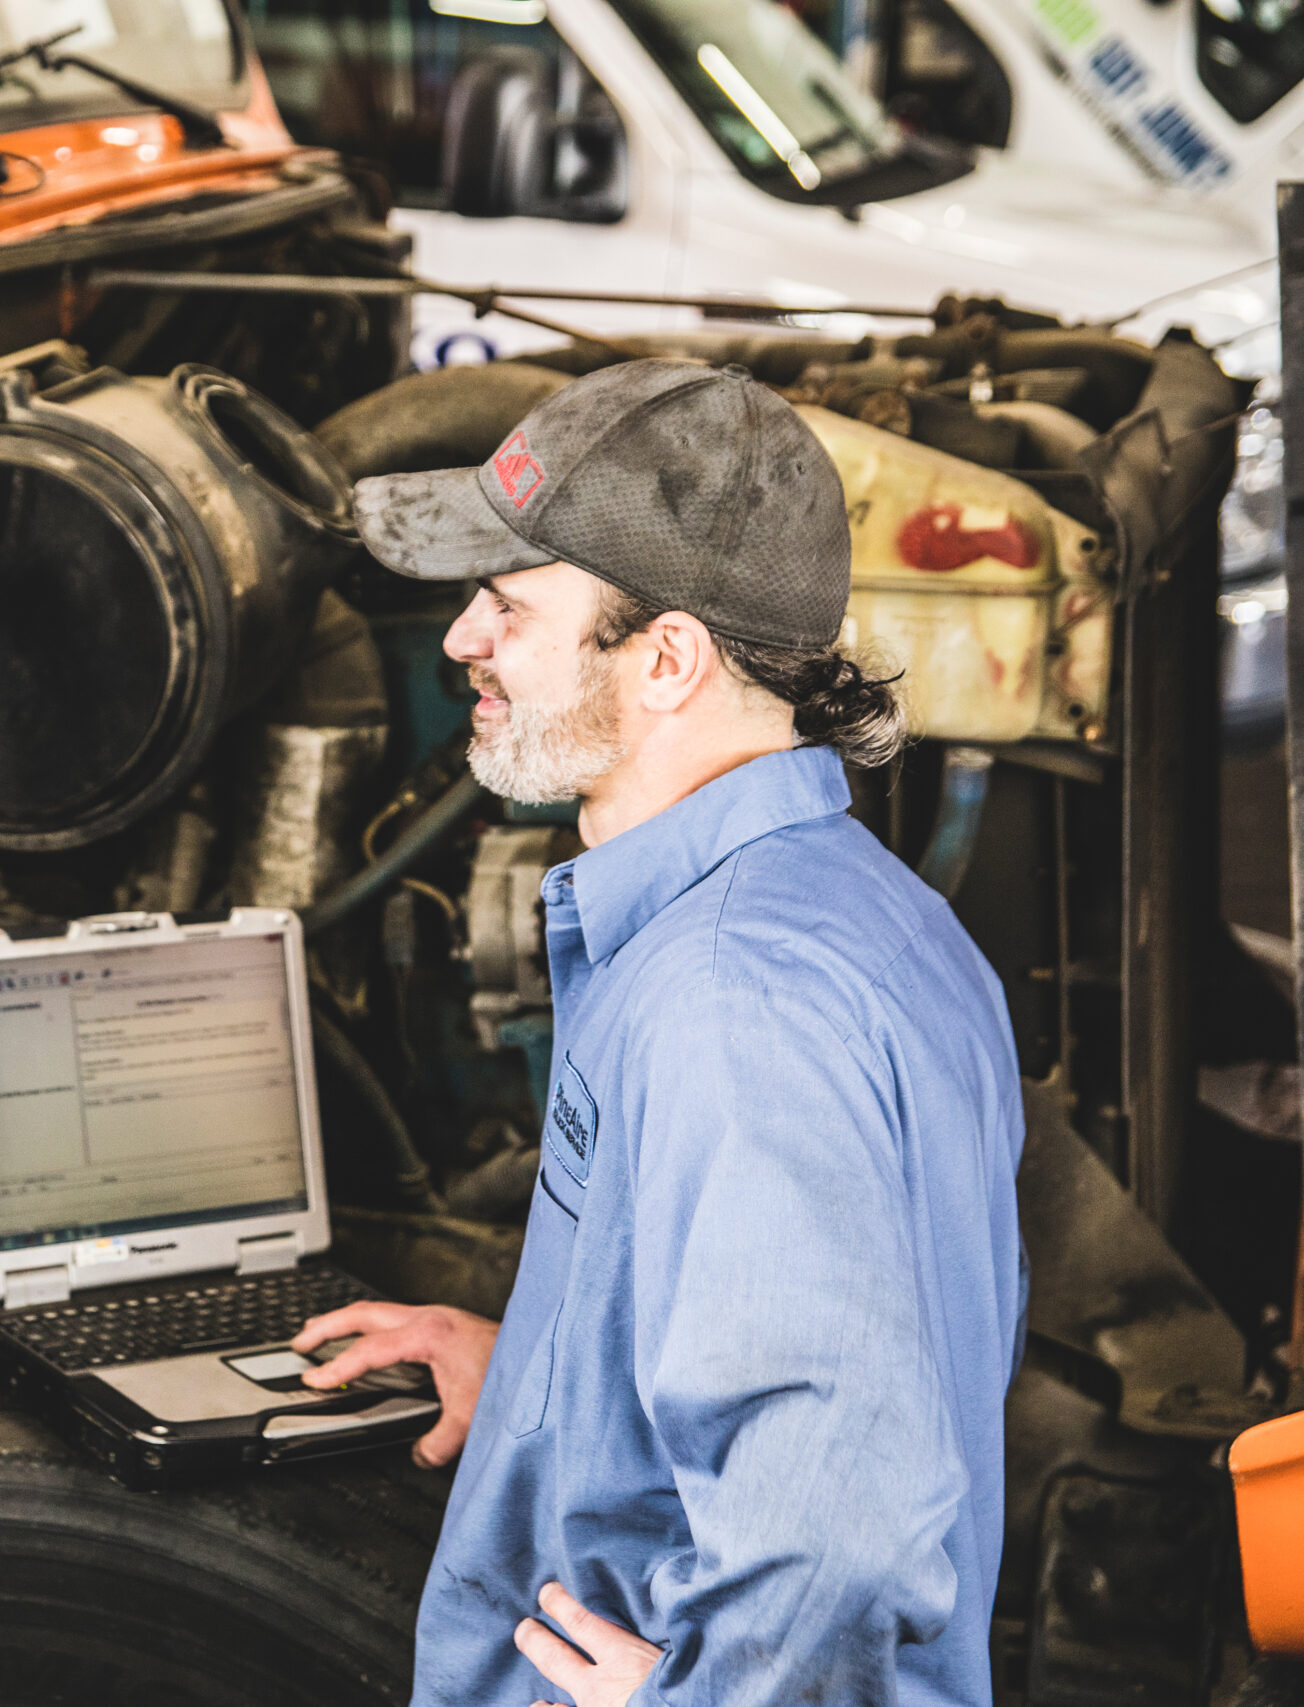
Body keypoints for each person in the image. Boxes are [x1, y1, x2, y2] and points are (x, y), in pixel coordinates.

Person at [299, 360, 1025, 1706]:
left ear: (669, 659)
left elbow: (840, 1519)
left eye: (509, 610)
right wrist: (546, 1381)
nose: (463, 641)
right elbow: (858, 1339)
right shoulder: (875, 917)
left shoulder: (729, 1005)